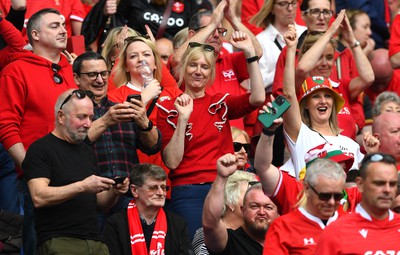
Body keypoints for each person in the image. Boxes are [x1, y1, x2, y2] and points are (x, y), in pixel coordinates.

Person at [157, 30, 265, 239]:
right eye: (193, 65)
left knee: (233, 249)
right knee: (198, 249)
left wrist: (250, 54)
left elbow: (259, 97)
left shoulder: (220, 103)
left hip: (226, 188)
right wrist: (182, 118)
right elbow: (171, 161)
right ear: (182, 69)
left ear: (211, 73)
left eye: (205, 67)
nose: (198, 71)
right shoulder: (168, 108)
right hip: (188, 193)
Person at [0, 8, 78, 254]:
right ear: (34, 34)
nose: (64, 30)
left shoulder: (71, 71)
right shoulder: (16, 70)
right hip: (38, 179)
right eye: (54, 26)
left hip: (74, 175)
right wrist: (31, 168)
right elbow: (5, 124)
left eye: (64, 24)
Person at [22, 89, 129, 254]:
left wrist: (115, 192)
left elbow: (99, 204)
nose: (88, 124)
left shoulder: (86, 151)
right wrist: (83, 186)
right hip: (60, 240)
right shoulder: (41, 149)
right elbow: (39, 196)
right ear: (61, 117)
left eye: (91, 117)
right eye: (81, 117)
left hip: (95, 241)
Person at [72, 51, 161, 226]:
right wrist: (105, 121)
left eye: (103, 74)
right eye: (92, 74)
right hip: (89, 199)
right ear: (76, 78)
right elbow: (71, 145)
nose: (100, 79)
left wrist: (144, 123)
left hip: (129, 197)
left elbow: (153, 146)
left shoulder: (120, 108)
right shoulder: (70, 112)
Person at [279, 23, 364, 179]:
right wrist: (291, 50)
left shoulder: (352, 145)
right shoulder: (300, 134)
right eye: (316, 96)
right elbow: (289, 94)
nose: (323, 101)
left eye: (328, 96)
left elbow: (357, 186)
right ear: (305, 106)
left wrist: (371, 153)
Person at [170, 0, 263, 133]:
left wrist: (233, 19)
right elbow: (178, 59)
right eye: (211, 30)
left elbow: (257, 52)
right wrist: (213, 23)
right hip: (200, 140)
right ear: (192, 35)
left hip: (235, 144)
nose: (216, 35)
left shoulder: (230, 60)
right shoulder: (187, 65)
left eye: (220, 31)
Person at [314, 153, 400, 254]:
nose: (387, 190)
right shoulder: (335, 232)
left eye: (392, 184)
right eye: (378, 183)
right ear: (360, 184)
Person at [103, 163, 192, 255]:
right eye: (153, 188)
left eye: (163, 187)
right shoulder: (115, 224)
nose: (161, 193)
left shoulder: (178, 223)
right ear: (134, 190)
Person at [202, 154, 279, 255]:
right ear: (243, 210)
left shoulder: (287, 242)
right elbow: (210, 224)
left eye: (268, 207)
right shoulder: (230, 241)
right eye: (254, 206)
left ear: (278, 212)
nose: (261, 212)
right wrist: (221, 177)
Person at [192, 156, 258, 255]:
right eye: (248, 196)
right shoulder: (206, 235)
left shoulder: (258, 234)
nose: (255, 202)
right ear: (230, 203)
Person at [0, 0, 86, 41]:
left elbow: (78, 37)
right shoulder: (10, 2)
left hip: (60, 55)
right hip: (21, 54)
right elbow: (4, 35)